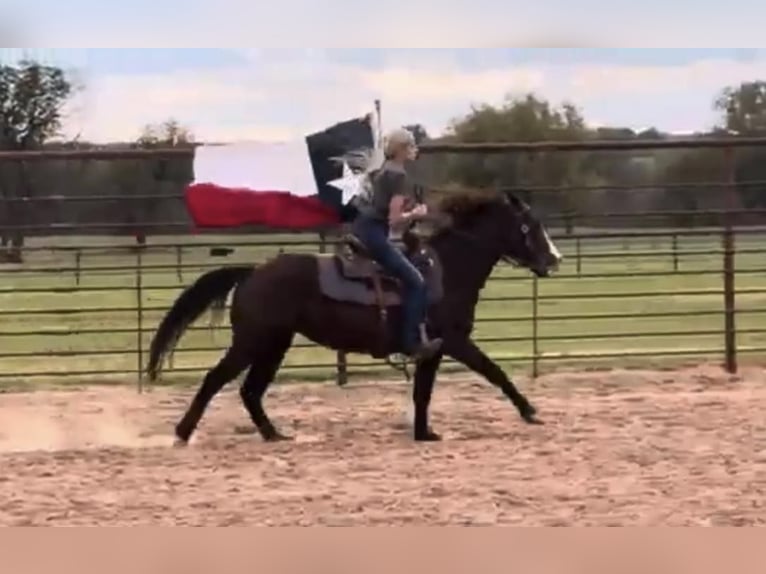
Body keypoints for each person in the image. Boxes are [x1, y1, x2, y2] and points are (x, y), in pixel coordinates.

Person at [350, 127, 443, 361]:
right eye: (411, 145)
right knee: (416, 282)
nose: (414, 150)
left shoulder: (382, 171)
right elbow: (393, 220)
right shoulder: (399, 176)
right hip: (375, 234)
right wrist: (416, 213)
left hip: (363, 227)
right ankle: (410, 343)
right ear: (401, 149)